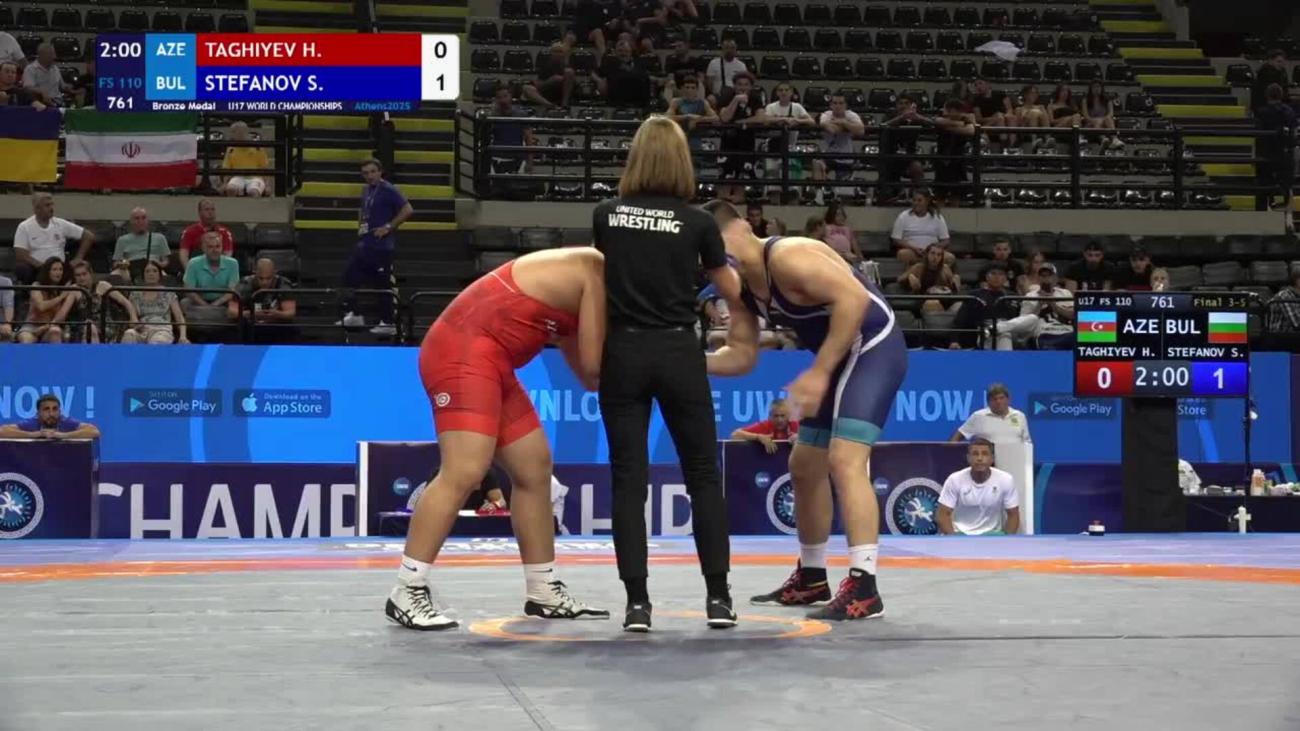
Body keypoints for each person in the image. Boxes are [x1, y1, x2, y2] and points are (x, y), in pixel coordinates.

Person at [704, 199, 907, 621]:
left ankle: (865, 586)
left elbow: (854, 298)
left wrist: (818, 372)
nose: (716, 258)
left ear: (741, 228)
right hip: (836, 359)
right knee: (804, 464)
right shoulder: (740, 289)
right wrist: (685, 360)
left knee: (845, 459)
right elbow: (741, 355)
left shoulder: (789, 255)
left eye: (716, 243)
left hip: (874, 347)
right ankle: (813, 576)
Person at [386, 247, 608, 630]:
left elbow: (590, 377)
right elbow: (594, 364)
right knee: (464, 470)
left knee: (534, 468)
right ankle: (407, 589)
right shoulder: (596, 270)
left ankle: (543, 589)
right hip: (461, 351)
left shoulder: (590, 292)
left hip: (493, 362)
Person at [593, 116, 742, 632]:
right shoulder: (699, 222)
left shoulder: (606, 215)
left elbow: (596, 282)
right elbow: (731, 290)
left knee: (627, 480)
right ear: (682, 161)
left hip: (623, 352)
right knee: (702, 475)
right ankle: (719, 597)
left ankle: (637, 604)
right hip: (679, 351)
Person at [340, 159, 413, 336]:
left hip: (381, 246)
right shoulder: (366, 190)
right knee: (349, 277)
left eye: (373, 172)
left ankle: (388, 322)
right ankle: (355, 314)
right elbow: (364, 210)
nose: (370, 176)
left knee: (382, 284)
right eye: (366, 173)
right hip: (366, 242)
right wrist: (360, 227)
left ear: (380, 172)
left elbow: (408, 209)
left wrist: (388, 227)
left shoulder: (389, 189)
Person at [937, 438, 1020, 535]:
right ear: (968, 458)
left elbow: (1013, 515)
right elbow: (942, 515)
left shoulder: (1006, 480)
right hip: (960, 534)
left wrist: (1007, 540)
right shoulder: (954, 479)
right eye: (975, 454)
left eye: (984, 454)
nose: (980, 458)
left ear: (992, 458)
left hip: (992, 534)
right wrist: (954, 539)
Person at [950, 383, 1031, 445]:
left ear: (1008, 399)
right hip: (989, 461)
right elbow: (958, 435)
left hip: (1014, 460)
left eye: (1001, 398)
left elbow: (1027, 443)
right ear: (988, 402)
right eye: (994, 399)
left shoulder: (1019, 416)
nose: (998, 402)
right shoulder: (978, 416)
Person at [0, 394, 101, 440]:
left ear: (59, 411)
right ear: (38, 413)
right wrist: (33, 435)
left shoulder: (64, 421)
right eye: (46, 409)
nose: (51, 413)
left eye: (55, 409)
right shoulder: (33, 423)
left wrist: (63, 436)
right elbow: (2, 431)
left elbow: (94, 431)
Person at [731, 398, 799, 453]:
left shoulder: (796, 425)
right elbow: (735, 435)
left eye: (783, 416)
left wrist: (801, 438)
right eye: (776, 416)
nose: (779, 420)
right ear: (769, 417)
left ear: (789, 416)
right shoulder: (765, 425)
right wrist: (758, 437)